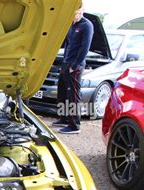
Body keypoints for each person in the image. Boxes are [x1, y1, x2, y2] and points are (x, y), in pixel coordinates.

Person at [52, 2, 94, 135]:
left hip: (75, 66)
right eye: (73, 13)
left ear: (82, 11)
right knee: (62, 92)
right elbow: (68, 44)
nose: (75, 15)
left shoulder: (86, 25)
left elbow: (84, 48)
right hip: (66, 63)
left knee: (73, 96)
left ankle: (74, 125)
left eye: (77, 12)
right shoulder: (71, 25)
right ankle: (64, 118)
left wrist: (74, 65)